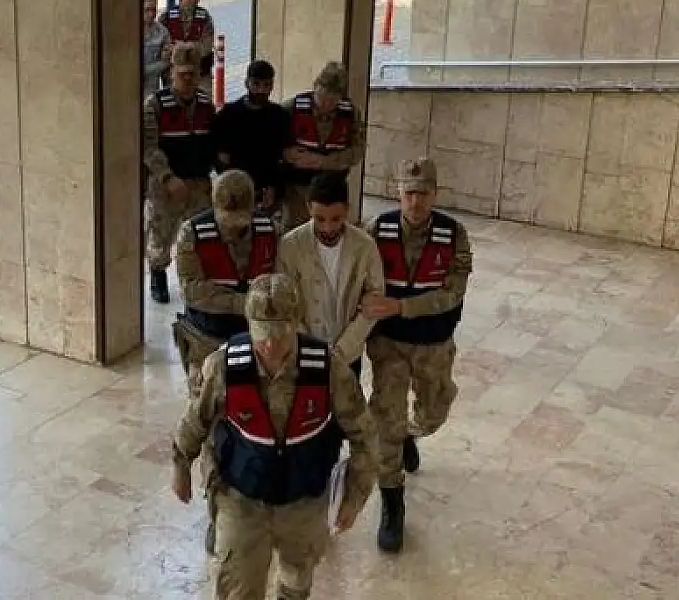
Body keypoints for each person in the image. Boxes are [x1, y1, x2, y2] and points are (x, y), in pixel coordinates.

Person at [172, 273, 378, 600]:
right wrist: (180, 463)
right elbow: (196, 419)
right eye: (262, 334)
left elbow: (365, 435)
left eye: (280, 334)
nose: (270, 345)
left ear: (296, 323)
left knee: (296, 586)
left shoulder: (329, 370)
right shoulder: (223, 366)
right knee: (237, 589)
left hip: (303, 501)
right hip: (242, 499)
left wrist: (355, 496)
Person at [361, 158, 473, 553]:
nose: (415, 201)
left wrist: (402, 307)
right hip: (389, 345)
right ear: (398, 192)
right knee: (385, 421)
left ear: (435, 194)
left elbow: (452, 293)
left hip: (433, 344)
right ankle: (392, 501)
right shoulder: (378, 230)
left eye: (423, 193)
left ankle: (411, 433)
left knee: (433, 413)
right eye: (409, 193)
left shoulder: (454, 235)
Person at [171, 169, 280, 554]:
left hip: (257, 345)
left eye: (241, 220)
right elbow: (195, 292)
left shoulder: (270, 231)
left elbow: (279, 284)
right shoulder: (192, 234)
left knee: (258, 421)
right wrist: (250, 302)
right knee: (213, 428)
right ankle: (218, 512)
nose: (234, 228)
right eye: (226, 220)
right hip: (207, 343)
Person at [277, 172, 385, 377]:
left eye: (336, 219)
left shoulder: (365, 246)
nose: (327, 228)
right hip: (302, 351)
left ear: (347, 210)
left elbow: (374, 302)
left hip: (349, 354)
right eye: (320, 219)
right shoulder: (290, 246)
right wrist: (310, 347)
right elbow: (284, 304)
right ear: (309, 208)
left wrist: (342, 351)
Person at [144, 42, 216, 304]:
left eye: (192, 74)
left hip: (198, 181)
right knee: (161, 232)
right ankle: (158, 273)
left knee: (200, 232)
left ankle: (193, 277)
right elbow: (149, 147)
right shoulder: (155, 105)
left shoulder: (206, 104)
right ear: (171, 72)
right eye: (182, 73)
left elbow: (212, 141)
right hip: (166, 183)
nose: (187, 79)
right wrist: (167, 177)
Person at [279, 62, 365, 232]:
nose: (325, 104)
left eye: (332, 100)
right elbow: (272, 141)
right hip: (297, 188)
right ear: (315, 88)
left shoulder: (351, 114)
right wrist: (287, 153)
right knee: (294, 233)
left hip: (333, 189)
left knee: (329, 232)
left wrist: (325, 161)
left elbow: (358, 150)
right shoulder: (291, 108)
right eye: (321, 96)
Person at [210, 60, 293, 215]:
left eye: (266, 85)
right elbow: (220, 160)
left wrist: (274, 187)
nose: (261, 90)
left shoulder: (280, 116)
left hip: (269, 195)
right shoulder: (228, 115)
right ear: (246, 83)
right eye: (256, 84)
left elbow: (284, 158)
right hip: (234, 193)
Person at [159, 0, 216, 94]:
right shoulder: (166, 17)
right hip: (173, 74)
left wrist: (182, 47)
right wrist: (192, 46)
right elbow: (162, 49)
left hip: (200, 73)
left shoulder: (205, 17)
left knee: (204, 101)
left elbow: (206, 47)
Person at [142, 0, 173, 101]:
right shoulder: (128, 31)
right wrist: (161, 64)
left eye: (154, 10)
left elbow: (168, 62)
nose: (151, 14)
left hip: (151, 91)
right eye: (147, 10)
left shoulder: (162, 32)